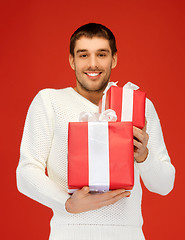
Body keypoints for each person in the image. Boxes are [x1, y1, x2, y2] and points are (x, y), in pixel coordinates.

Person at [16, 23, 175, 240]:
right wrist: (67, 203)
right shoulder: (49, 101)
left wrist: (144, 157)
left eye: (102, 54)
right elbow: (26, 172)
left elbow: (165, 185)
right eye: (83, 55)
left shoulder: (139, 106)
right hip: (68, 234)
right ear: (72, 60)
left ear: (114, 59)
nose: (92, 64)